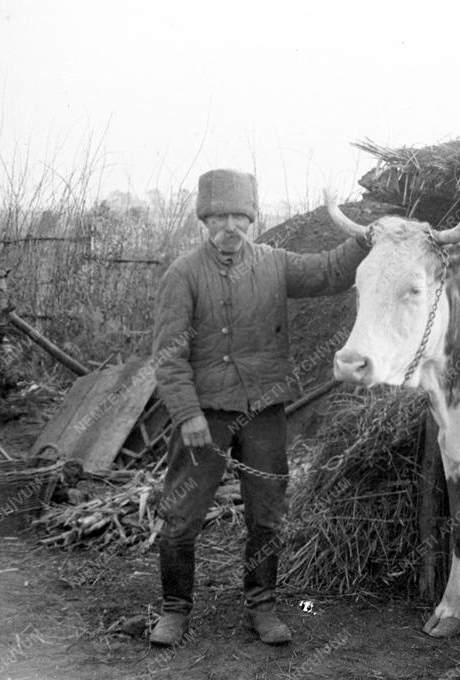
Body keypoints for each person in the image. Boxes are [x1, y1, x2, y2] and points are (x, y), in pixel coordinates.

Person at [149, 169, 370, 647]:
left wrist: (365, 241)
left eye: (239, 217)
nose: (230, 226)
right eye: (220, 217)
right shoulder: (183, 274)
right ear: (205, 220)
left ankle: (262, 606)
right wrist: (187, 414)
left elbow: (331, 271)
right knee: (181, 515)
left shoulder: (275, 263)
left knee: (267, 515)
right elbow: (168, 355)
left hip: (265, 411)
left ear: (252, 220)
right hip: (203, 415)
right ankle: (174, 610)